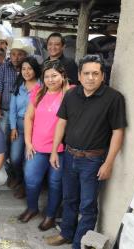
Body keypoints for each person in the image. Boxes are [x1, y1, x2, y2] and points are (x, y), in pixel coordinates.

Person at [46, 55, 127, 248]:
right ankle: (66, 233)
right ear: (80, 76)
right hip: (69, 155)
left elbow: (118, 132)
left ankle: (78, 244)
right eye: (86, 73)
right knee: (69, 198)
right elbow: (62, 122)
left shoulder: (114, 98)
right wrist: (55, 150)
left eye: (95, 73)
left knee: (88, 205)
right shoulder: (71, 95)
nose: (90, 77)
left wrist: (108, 162)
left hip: (93, 160)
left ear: (102, 76)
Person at [20, 60, 72, 231]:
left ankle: (50, 215)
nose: (50, 80)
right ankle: (32, 208)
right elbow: (28, 117)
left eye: (54, 75)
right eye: (47, 76)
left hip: (60, 150)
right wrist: (28, 143)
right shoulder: (38, 92)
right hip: (37, 147)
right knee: (31, 180)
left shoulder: (70, 94)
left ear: (63, 76)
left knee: (55, 183)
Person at [0, 39, 34, 193]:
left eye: (20, 54)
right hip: (5, 112)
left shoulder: (29, 72)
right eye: (14, 54)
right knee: (3, 142)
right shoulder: (4, 68)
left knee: (21, 148)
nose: (16, 57)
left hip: (25, 117)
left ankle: (19, 177)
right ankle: (7, 173)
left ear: (24, 56)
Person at [8, 56, 41, 199]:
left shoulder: (42, 86)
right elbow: (12, 109)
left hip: (35, 128)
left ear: (35, 70)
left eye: (29, 68)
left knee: (29, 160)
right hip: (19, 126)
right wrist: (13, 127)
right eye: (23, 69)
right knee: (15, 158)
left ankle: (25, 186)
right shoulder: (18, 86)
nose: (26, 72)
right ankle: (18, 177)